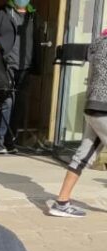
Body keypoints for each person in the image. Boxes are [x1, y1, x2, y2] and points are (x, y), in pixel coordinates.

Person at [47, 30, 107, 217]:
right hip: (105, 109)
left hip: (93, 107)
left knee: (82, 157)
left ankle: (61, 202)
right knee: (82, 157)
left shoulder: (98, 42)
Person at [0, 1, 39, 154]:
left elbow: (36, 41)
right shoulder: (0, 14)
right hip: (6, 65)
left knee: (19, 106)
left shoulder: (33, 16)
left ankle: (10, 141)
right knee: (7, 102)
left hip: (25, 68)